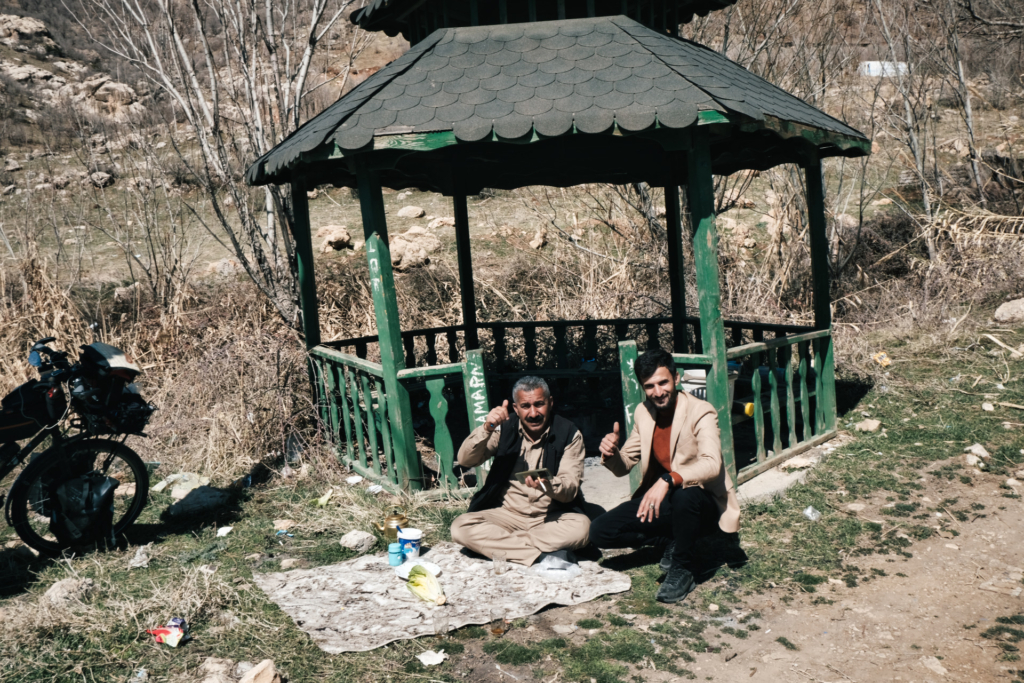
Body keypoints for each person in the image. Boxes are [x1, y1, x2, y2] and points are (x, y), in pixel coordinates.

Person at [589, 349, 741, 603]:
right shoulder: (643, 412)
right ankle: (675, 538)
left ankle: (683, 568)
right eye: (649, 386)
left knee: (686, 497)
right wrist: (611, 452)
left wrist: (669, 479)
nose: (658, 392)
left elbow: (712, 464)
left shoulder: (701, 411)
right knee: (600, 531)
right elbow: (624, 464)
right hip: (668, 500)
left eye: (663, 382)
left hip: (702, 502)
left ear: (676, 378)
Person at [450, 376, 589, 566]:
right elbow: (466, 459)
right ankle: (541, 556)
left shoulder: (569, 434)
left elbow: (570, 488)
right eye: (525, 406)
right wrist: (487, 427)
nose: (533, 413)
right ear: (516, 408)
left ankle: (501, 544)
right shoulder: (503, 429)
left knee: (584, 528)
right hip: (507, 514)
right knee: (460, 527)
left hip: (549, 516)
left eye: (539, 404)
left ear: (550, 403)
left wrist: (549, 485)